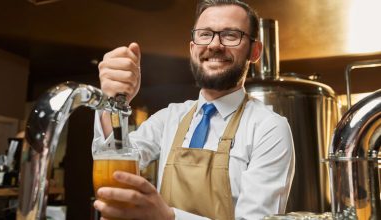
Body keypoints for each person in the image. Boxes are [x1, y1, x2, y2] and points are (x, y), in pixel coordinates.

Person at [92, 0, 295, 219]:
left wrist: (169, 217)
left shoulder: (269, 128)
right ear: (192, 48)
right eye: (205, 34)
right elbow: (116, 167)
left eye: (230, 35)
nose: (215, 45)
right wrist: (113, 103)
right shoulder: (169, 117)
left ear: (254, 51)